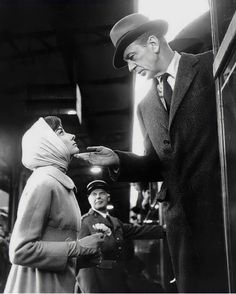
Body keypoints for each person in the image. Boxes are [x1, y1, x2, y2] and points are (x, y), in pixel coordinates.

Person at [75, 13, 229, 293]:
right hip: (182, 226)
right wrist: (119, 159)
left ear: (154, 43)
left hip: (223, 211)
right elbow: (157, 164)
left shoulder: (210, 65)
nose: (131, 67)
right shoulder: (144, 105)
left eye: (132, 56)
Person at [4, 116, 104, 293]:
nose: (72, 135)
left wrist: (82, 256)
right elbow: (20, 251)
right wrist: (79, 247)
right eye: (61, 132)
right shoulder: (44, 183)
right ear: (47, 143)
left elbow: (53, 246)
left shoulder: (59, 184)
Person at [75, 180, 165, 293]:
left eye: (101, 193)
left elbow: (137, 231)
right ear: (89, 199)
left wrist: (165, 230)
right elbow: (81, 259)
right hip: (98, 282)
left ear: (108, 197)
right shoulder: (85, 222)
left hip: (117, 279)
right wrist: (89, 289)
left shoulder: (115, 222)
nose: (98, 197)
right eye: (94, 194)